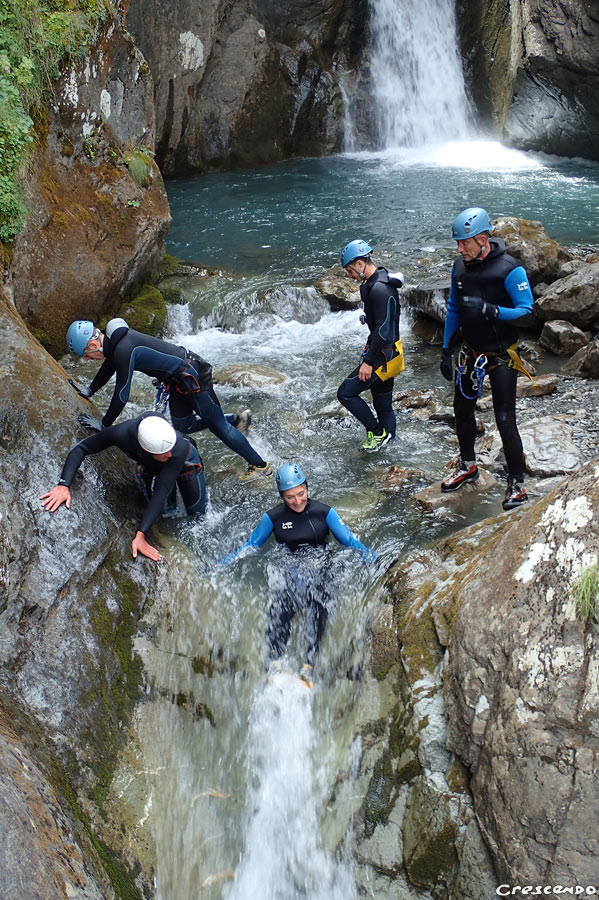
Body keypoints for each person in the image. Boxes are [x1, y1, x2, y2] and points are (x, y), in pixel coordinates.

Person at [219, 463, 376, 687]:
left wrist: (370, 555)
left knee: (318, 602)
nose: (297, 501)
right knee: (282, 602)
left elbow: (348, 540)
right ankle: (274, 660)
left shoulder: (324, 512)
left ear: (307, 489)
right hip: (291, 565)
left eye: (301, 494)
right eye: (290, 497)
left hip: (322, 564)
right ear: (282, 496)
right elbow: (252, 545)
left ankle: (309, 664)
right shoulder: (273, 518)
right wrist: (224, 564)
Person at [65, 318, 270, 481]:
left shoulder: (123, 350)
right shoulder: (113, 346)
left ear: (92, 344)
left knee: (219, 428)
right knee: (184, 425)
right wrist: (90, 390)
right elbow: (109, 367)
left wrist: (104, 425)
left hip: (192, 375)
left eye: (86, 355)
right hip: (179, 379)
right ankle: (236, 419)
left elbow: (122, 395)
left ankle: (260, 466)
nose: (87, 360)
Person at [439, 207, 534, 510]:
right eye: (457, 243)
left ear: (482, 239)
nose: (459, 248)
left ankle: (516, 483)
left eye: (464, 242)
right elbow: (454, 307)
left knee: (505, 418)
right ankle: (468, 464)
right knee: (461, 409)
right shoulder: (459, 266)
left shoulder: (510, 269)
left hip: (502, 355)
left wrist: (494, 311)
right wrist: (445, 350)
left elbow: (528, 311)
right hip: (471, 351)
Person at [41, 413, 206, 561]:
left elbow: (162, 490)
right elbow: (81, 448)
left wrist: (141, 534)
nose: (169, 454)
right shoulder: (121, 434)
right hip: (149, 462)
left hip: (186, 462)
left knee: (197, 516)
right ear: (146, 449)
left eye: (168, 451)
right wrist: (63, 485)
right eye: (164, 453)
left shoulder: (176, 448)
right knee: (166, 514)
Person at [337, 240, 404, 452]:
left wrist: (368, 361)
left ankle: (377, 433)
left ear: (359, 263)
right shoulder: (379, 281)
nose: (350, 276)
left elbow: (382, 331)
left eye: (350, 270)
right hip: (392, 353)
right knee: (383, 405)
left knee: (346, 393)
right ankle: (389, 450)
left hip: (382, 357)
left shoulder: (379, 289)